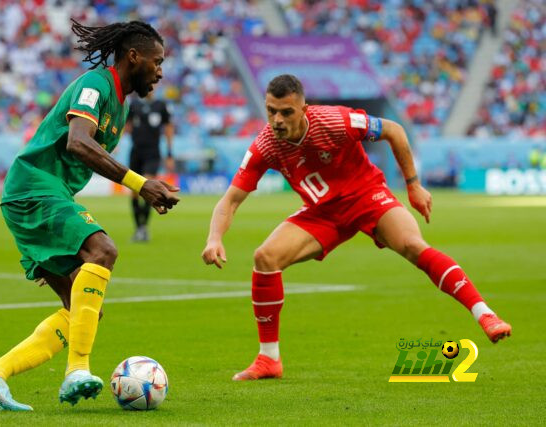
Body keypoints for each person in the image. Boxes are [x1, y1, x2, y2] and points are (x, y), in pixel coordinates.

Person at [201, 74, 511, 381]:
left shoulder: (336, 122)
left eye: (286, 112)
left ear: (304, 109)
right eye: (271, 111)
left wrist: (413, 185)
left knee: (413, 246)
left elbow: (394, 130)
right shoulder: (265, 146)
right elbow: (229, 201)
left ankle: (485, 314)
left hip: (367, 197)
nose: (277, 120)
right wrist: (214, 238)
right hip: (322, 213)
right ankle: (269, 359)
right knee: (265, 258)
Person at [0, 19, 180, 410]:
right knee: (104, 250)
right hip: (35, 186)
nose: (161, 71)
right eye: (157, 61)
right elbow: (78, 143)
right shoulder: (96, 85)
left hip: (43, 193)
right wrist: (140, 183)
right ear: (134, 57)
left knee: (83, 312)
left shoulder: (120, 102)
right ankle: (77, 370)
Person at [125, 91, 175, 242]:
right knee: (134, 192)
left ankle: (144, 228)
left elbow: (168, 128)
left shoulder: (161, 106)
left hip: (152, 153)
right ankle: (138, 228)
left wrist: (170, 153)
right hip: (136, 152)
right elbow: (127, 125)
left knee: (147, 186)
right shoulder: (134, 105)